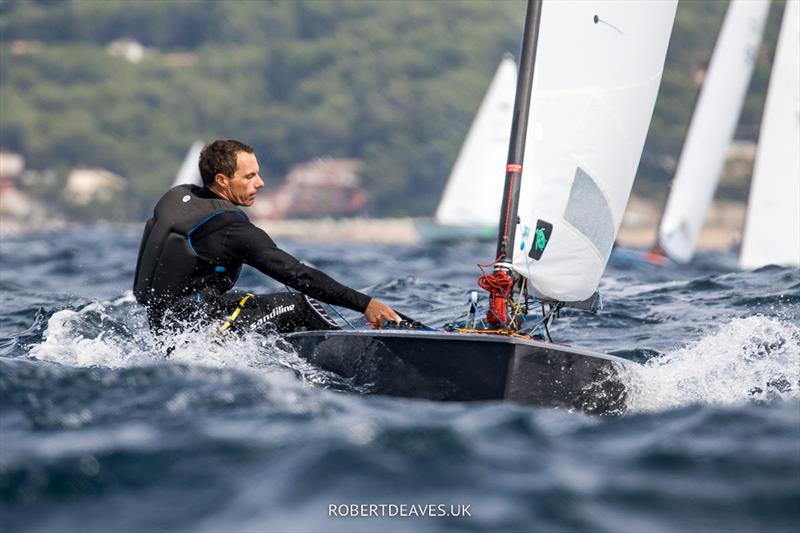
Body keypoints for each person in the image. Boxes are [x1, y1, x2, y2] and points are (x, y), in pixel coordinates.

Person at [133, 139, 401, 335]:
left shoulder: (176, 199)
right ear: (222, 180)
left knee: (258, 303)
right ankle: (353, 355)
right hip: (201, 330)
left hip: (165, 328)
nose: (260, 183)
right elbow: (298, 275)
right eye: (249, 176)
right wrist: (366, 304)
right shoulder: (231, 229)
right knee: (301, 305)